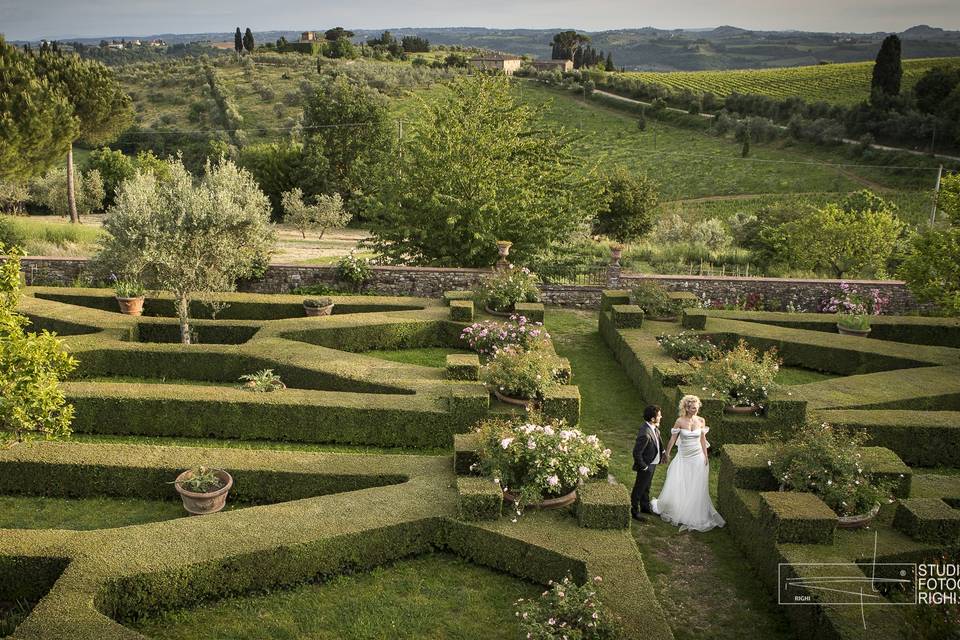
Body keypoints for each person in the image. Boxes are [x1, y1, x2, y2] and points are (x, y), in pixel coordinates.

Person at [651, 394, 725, 532]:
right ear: (686, 408)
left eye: (696, 408)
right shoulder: (680, 421)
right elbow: (673, 439)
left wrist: (705, 455)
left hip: (697, 456)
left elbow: (703, 439)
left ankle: (691, 510)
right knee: (679, 481)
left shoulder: (701, 421)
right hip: (683, 457)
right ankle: (678, 507)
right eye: (692, 408)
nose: (695, 411)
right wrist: (667, 453)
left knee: (695, 483)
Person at [631, 404, 664, 521]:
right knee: (639, 489)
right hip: (646, 465)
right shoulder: (645, 433)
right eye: (659, 416)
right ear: (652, 419)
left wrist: (663, 451)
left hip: (653, 463)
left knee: (647, 487)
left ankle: (645, 507)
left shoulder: (654, 428)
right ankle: (634, 511)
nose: (661, 417)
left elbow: (658, 440)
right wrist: (644, 467)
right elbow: (636, 453)